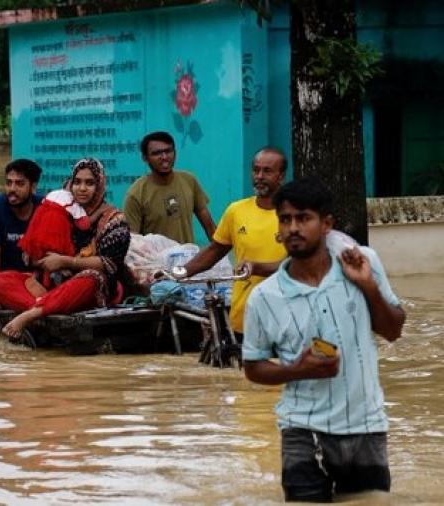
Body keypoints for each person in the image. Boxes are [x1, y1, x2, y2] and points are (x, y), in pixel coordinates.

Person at [242, 177, 406, 502]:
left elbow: (393, 330)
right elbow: (252, 367)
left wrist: (368, 287)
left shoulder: (363, 263)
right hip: (301, 430)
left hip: (366, 427)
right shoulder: (264, 297)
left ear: (326, 224)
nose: (293, 228)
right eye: (285, 219)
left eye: (303, 218)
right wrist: (296, 370)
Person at [0, 158, 131, 339]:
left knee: (91, 278)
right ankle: (48, 306)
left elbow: (109, 264)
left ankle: (32, 313)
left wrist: (67, 262)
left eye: (89, 183)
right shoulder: (59, 210)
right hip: (51, 288)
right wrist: (38, 258)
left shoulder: (115, 220)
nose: (82, 188)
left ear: (100, 186)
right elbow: (32, 255)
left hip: (90, 290)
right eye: (77, 182)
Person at [175, 147, 288, 340]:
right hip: (244, 316)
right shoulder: (236, 211)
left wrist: (256, 267)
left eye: (267, 171)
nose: (259, 176)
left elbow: (298, 264)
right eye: (256, 170)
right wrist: (181, 272)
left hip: (286, 318)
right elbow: (215, 250)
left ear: (281, 176)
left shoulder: (294, 214)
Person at [123, 131, 216, 244]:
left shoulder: (189, 181)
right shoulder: (136, 194)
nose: (164, 157)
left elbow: (209, 225)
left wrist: (222, 257)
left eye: (168, 151)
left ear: (175, 153)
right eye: (156, 153)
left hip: (190, 260)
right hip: (155, 261)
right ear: (145, 158)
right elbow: (133, 242)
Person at [0, 159, 43, 321]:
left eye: (20, 184)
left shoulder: (44, 208)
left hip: (35, 281)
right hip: (3, 284)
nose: (12, 189)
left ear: (33, 187)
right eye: (9, 183)